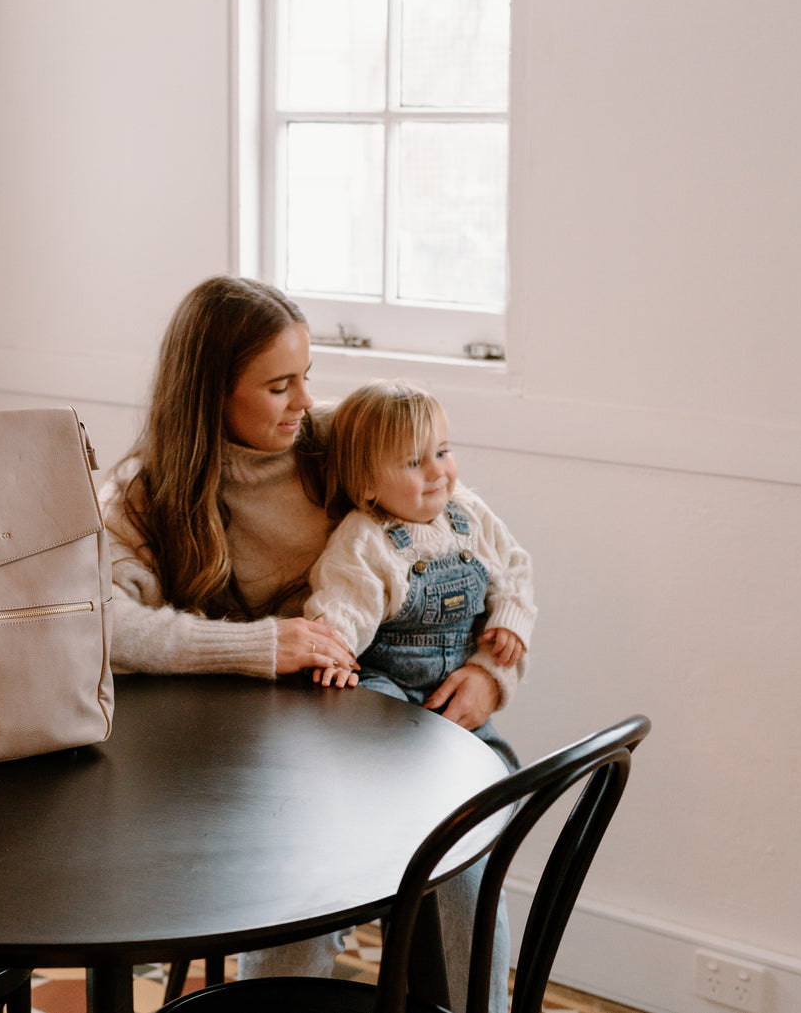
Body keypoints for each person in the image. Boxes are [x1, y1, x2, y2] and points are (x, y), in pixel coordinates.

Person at [98, 276, 518, 1013]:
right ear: (212, 393)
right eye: (278, 386)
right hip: (230, 762)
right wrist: (260, 647)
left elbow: (465, 535)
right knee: (301, 875)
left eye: (306, 376)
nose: (305, 401)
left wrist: (489, 670)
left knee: (459, 850)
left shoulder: (338, 442)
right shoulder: (142, 492)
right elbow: (106, 627)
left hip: (371, 725)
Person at [303, 379, 535, 773]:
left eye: (442, 452)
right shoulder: (365, 537)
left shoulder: (471, 515)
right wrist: (335, 653)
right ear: (368, 484)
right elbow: (344, 602)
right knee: (383, 738)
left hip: (454, 687)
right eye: (415, 462)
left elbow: (513, 566)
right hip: (388, 683)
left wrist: (510, 619)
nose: (437, 471)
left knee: (498, 768)